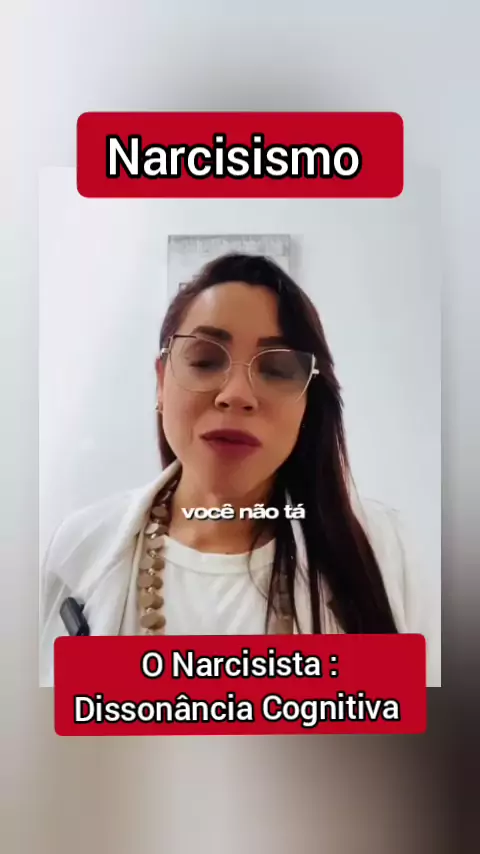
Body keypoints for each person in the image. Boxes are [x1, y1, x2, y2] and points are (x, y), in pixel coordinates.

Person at [40, 252, 424, 685]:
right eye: (205, 361)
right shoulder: (79, 550)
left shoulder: (385, 550)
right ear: (161, 382)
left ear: (307, 404)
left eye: (277, 369)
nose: (237, 394)